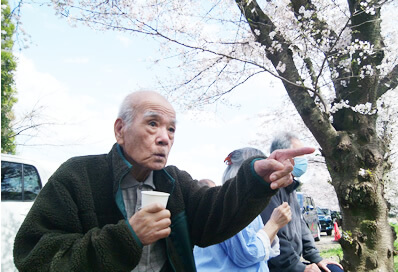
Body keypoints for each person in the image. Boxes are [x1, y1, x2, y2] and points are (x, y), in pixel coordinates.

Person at [13, 91, 315, 272]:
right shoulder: (78, 177)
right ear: (121, 129)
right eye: (153, 123)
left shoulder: (175, 184)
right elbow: (34, 258)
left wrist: (254, 179)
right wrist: (127, 237)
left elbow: (215, 215)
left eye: (171, 129)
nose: (164, 138)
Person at [194, 147, 292, 271]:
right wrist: (274, 224)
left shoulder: (230, 201)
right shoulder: (235, 203)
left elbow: (262, 252)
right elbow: (247, 255)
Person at [260, 132, 344, 272]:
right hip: (279, 266)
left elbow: (301, 224)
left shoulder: (290, 187)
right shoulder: (271, 188)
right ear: (284, 156)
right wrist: (299, 268)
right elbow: (275, 236)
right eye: (300, 156)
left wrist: (316, 258)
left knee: (333, 269)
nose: (304, 161)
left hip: (293, 262)